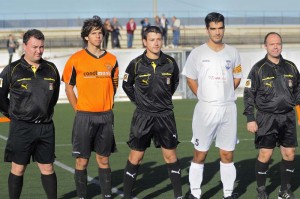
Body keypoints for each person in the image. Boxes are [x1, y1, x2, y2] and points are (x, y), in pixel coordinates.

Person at [182, 12, 242, 199]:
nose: (217, 32)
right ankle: (195, 194)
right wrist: (203, 94)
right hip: (205, 109)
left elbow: (237, 77)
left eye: (220, 28)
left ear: (224, 28)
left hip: (228, 109)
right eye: (213, 28)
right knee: (200, 153)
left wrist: (224, 94)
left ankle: (228, 193)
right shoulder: (197, 53)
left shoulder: (233, 53)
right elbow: (190, 77)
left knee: (227, 154)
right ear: (207, 29)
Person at [122, 26, 183, 199]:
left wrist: (163, 99)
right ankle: (126, 196)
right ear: (144, 42)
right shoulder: (136, 64)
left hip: (165, 116)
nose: (156, 43)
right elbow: (126, 85)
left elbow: (174, 82)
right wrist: (140, 101)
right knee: (136, 157)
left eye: (158, 39)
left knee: (170, 156)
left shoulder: (170, 62)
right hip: (143, 116)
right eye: (152, 39)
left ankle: (178, 196)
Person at [62, 15, 119, 199]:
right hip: (84, 116)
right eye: (94, 33)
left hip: (105, 116)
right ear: (86, 36)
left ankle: (106, 195)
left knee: (103, 159)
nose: (98, 36)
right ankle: (82, 196)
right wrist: (77, 108)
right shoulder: (75, 59)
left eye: (100, 33)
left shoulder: (112, 59)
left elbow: (114, 84)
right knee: (82, 160)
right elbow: (69, 87)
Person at [0, 29, 60, 199]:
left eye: (41, 47)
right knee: (18, 168)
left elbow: (53, 97)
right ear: (24, 46)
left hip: (46, 128)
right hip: (22, 128)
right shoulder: (12, 70)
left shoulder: (51, 69)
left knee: (48, 168)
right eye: (34, 47)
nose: (38, 51)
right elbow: (0, 96)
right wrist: (12, 113)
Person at [243, 32, 299, 199]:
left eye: (278, 43)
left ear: (281, 45)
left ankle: (285, 190)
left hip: (288, 118)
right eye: (272, 44)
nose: (276, 46)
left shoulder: (291, 67)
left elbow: (298, 92)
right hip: (266, 118)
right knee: (265, 155)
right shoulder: (257, 68)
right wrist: (250, 118)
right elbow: (248, 94)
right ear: (265, 46)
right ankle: (261, 190)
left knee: (289, 153)